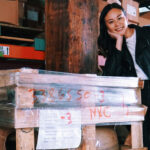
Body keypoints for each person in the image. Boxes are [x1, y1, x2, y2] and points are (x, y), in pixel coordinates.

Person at [97, 2, 150, 149]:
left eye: (120, 18)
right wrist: (119, 43)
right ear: (106, 26)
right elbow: (109, 78)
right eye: (111, 22)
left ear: (127, 18)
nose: (117, 24)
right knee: (142, 137)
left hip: (148, 89)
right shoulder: (114, 48)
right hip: (136, 94)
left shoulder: (146, 34)